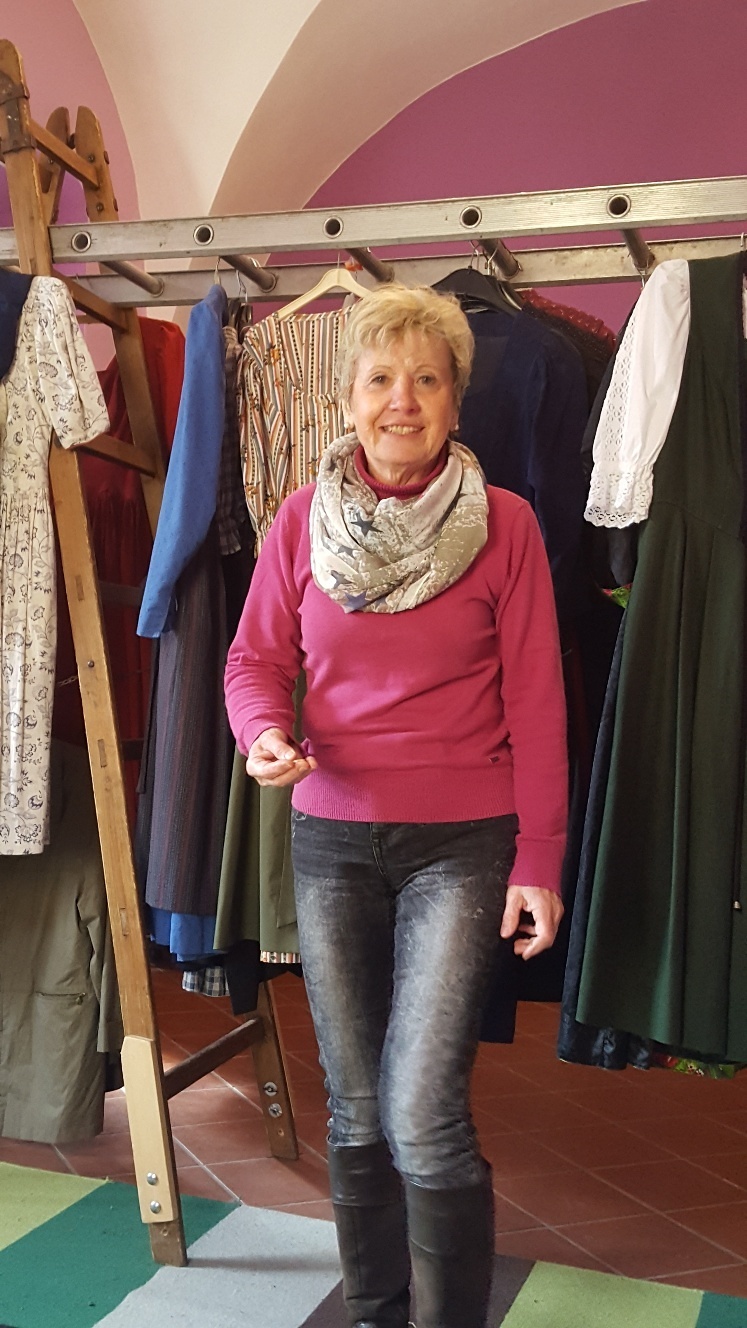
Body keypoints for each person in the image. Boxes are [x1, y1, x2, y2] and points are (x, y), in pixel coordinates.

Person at [224, 284, 567, 1328]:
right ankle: (376, 1313)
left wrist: (540, 860)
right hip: (331, 835)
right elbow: (253, 660)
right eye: (380, 378)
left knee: (420, 1111)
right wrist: (262, 731)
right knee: (358, 1108)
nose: (402, 400)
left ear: (457, 401)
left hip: (463, 843)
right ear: (349, 397)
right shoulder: (300, 520)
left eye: (426, 378)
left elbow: (539, 701)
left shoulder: (507, 526)